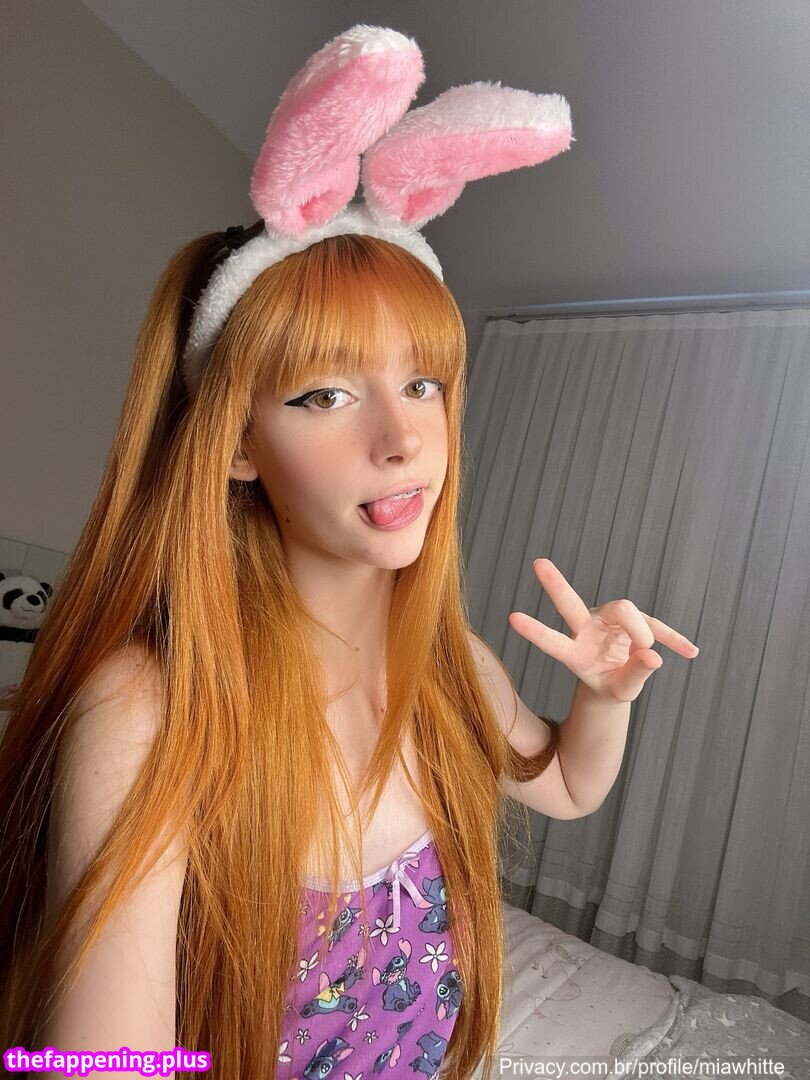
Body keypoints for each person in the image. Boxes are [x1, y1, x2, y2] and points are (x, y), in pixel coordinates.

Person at [0, 25, 575, 1080]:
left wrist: (612, 694)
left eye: (424, 384)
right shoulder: (150, 714)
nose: (402, 439)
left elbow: (566, 785)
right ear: (235, 444)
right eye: (325, 394)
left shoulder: (449, 663)